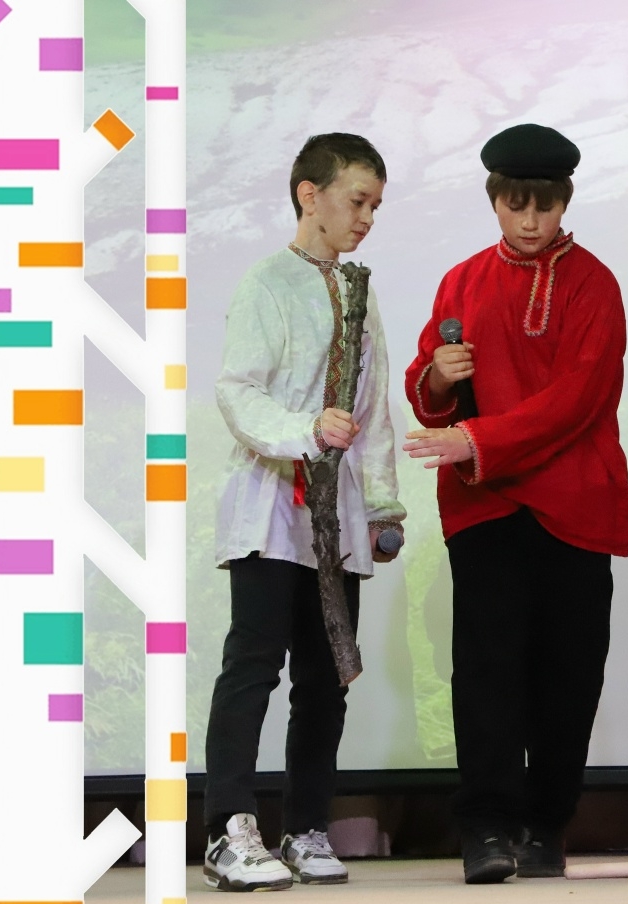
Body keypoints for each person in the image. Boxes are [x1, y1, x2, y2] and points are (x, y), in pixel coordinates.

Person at [401, 123, 628, 884]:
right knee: (485, 672)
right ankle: (487, 829)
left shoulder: (594, 283)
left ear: (565, 201)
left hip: (574, 501)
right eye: (515, 205)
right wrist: (439, 378)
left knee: (570, 675)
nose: (531, 222)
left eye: (545, 206)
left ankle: (547, 824)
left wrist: (477, 439)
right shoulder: (462, 281)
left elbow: (580, 399)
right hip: (487, 506)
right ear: (494, 200)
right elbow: (430, 389)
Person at [203, 133, 407, 892]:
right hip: (271, 503)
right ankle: (228, 830)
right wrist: (304, 431)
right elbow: (238, 388)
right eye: (357, 201)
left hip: (337, 515)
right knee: (254, 664)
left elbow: (373, 406)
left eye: (376, 206)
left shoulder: (360, 291)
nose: (366, 218)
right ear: (309, 195)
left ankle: (307, 825)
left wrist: (382, 504)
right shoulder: (267, 282)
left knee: (325, 677)